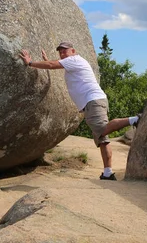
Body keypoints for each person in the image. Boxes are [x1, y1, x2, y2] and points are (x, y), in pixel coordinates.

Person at [19, 41, 140, 180]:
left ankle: (135, 119)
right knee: (102, 139)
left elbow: (53, 65)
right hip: (94, 101)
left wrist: (30, 63)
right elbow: (54, 65)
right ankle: (108, 172)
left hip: (93, 101)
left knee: (101, 130)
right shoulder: (72, 63)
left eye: (65, 50)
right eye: (60, 51)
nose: (62, 53)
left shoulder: (74, 60)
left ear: (73, 51)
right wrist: (46, 61)